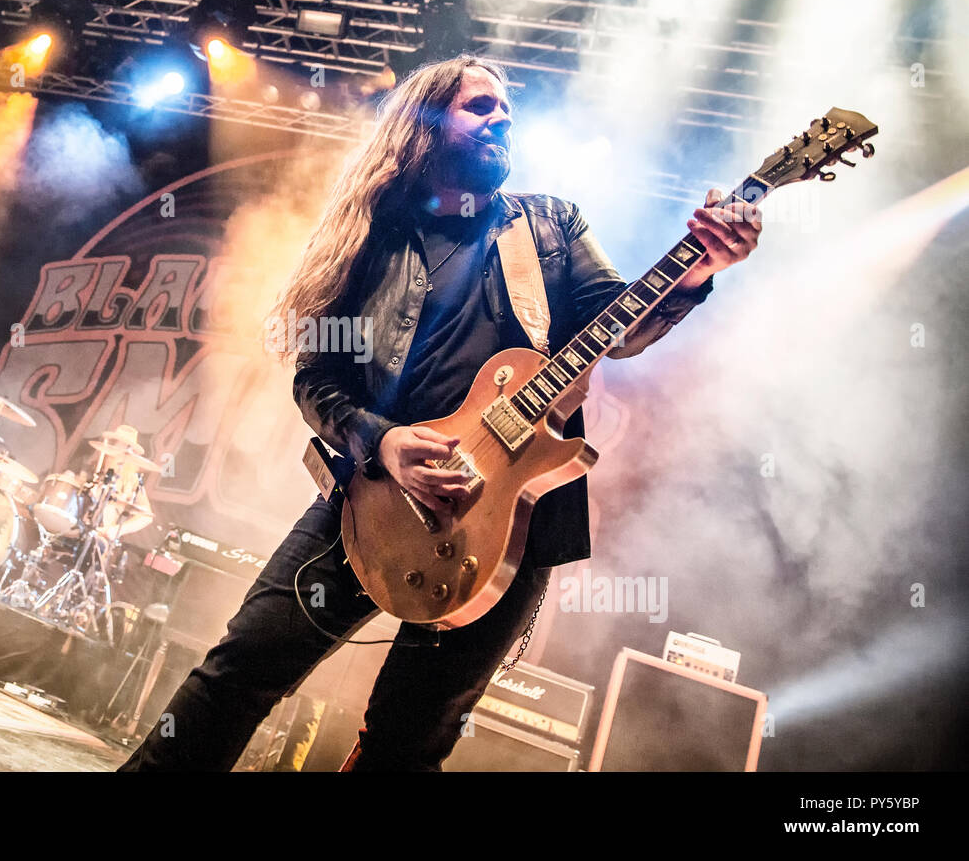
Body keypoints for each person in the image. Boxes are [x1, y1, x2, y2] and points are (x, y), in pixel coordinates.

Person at [117, 55, 762, 771]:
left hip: (511, 528)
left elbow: (624, 326)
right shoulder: (372, 238)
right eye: (479, 107)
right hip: (371, 499)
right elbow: (317, 378)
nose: (502, 117)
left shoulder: (549, 227)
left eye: (506, 109)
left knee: (408, 740)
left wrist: (697, 270)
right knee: (239, 675)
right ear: (422, 124)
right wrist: (385, 443)